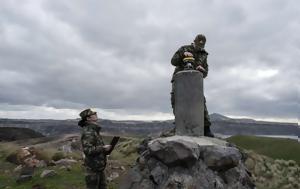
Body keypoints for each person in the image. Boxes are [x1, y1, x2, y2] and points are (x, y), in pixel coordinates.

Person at [170, 34, 214, 137]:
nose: (200, 47)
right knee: (176, 100)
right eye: (198, 44)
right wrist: (182, 55)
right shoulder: (184, 48)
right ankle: (180, 125)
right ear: (194, 41)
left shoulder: (204, 55)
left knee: (200, 102)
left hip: (195, 82)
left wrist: (202, 70)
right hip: (180, 79)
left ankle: (206, 128)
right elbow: (173, 61)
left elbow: (205, 73)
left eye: (202, 46)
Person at [78, 109, 112, 189]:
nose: (96, 114)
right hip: (93, 168)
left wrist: (105, 150)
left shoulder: (94, 130)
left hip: (99, 168)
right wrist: (103, 148)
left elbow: (96, 147)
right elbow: (88, 150)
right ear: (88, 118)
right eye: (93, 113)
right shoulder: (88, 132)